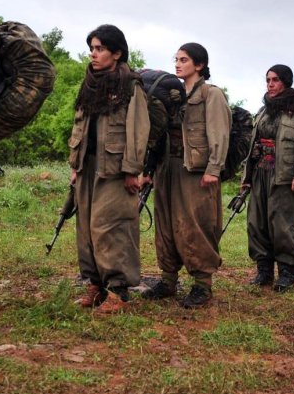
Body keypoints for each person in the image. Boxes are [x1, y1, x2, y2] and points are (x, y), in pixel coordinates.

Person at [142, 43, 231, 307]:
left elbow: (220, 132)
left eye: (184, 60)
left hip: (195, 170)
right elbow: (158, 134)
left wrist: (214, 168)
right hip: (167, 167)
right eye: (177, 59)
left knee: (196, 225)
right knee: (166, 224)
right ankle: (168, 280)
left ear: (199, 65)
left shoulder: (211, 94)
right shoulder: (171, 94)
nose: (178, 64)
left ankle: (202, 285)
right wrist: (149, 169)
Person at [68, 26, 149, 313]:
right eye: (92, 48)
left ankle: (118, 291)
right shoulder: (89, 83)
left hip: (115, 169)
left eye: (100, 48)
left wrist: (132, 170)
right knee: (87, 226)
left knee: (111, 227)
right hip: (88, 166)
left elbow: (138, 130)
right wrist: (75, 165)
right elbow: (79, 125)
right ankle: (95, 283)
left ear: (116, 53)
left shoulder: (130, 85)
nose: (93, 54)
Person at [241, 65, 294, 292]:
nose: (270, 84)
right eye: (268, 80)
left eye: (275, 80)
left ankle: (287, 272)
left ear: (286, 82)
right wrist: (247, 176)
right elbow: (253, 145)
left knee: (284, 225)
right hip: (260, 172)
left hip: (285, 175)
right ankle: (264, 270)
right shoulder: (263, 110)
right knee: (257, 223)